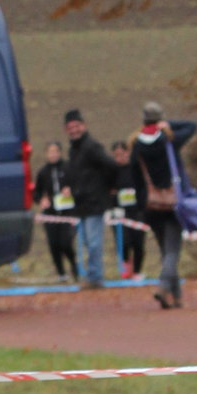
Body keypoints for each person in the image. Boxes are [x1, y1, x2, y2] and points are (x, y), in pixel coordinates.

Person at [131, 99, 197, 310]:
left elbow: (135, 179)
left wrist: (141, 206)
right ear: (160, 119)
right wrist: (169, 124)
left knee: (165, 251)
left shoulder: (136, 146)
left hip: (151, 206)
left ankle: (176, 298)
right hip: (172, 203)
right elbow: (192, 126)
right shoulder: (169, 140)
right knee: (172, 251)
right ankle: (163, 287)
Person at [62, 109, 117, 289]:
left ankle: (95, 277)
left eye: (76, 126)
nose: (74, 130)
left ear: (84, 126)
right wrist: (69, 186)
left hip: (94, 202)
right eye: (70, 127)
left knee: (93, 243)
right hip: (81, 203)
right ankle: (93, 275)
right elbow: (74, 173)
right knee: (87, 242)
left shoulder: (92, 147)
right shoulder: (73, 150)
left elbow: (111, 165)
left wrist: (109, 187)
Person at [34, 139, 78, 281]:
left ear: (60, 152)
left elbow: (79, 186)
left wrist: (71, 190)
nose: (53, 154)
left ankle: (74, 265)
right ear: (46, 154)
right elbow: (36, 193)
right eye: (50, 152)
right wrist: (41, 200)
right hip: (50, 214)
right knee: (53, 243)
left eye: (55, 151)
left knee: (65, 242)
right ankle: (61, 273)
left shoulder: (68, 168)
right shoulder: (43, 172)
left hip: (68, 212)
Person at [110, 139, 145, 278]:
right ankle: (125, 264)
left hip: (137, 210)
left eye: (122, 154)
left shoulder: (136, 168)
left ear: (127, 153)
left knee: (138, 242)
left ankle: (137, 271)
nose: (119, 158)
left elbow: (142, 187)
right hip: (119, 212)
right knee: (123, 241)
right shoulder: (112, 171)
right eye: (116, 155)